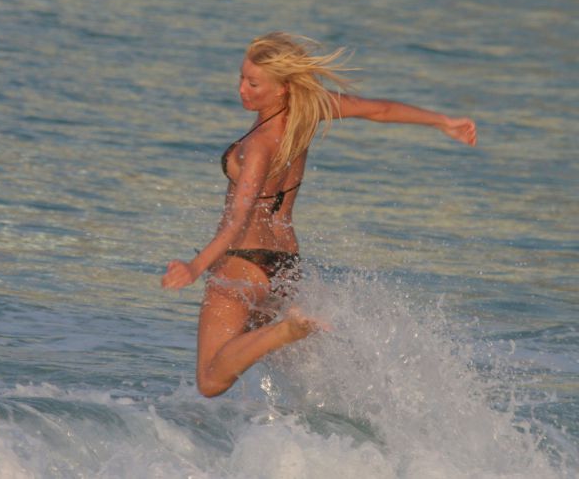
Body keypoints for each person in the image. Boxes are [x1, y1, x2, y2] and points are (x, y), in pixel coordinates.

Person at [162, 32, 476, 397]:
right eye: (241, 78)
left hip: (241, 264)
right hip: (285, 267)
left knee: (210, 380)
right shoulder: (308, 112)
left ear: (282, 87)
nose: (242, 89)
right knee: (249, 349)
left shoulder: (258, 146)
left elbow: (238, 220)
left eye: (254, 83)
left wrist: (196, 266)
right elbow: (379, 110)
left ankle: (287, 330)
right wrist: (441, 121)